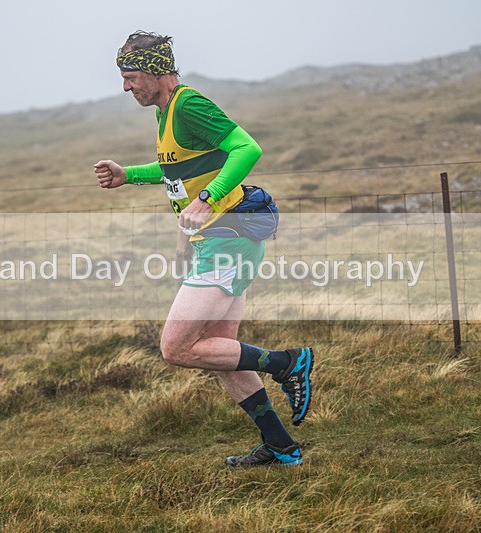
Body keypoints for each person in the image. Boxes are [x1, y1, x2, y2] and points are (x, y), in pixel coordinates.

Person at [94, 31, 313, 467]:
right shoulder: (166, 112)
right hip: (219, 242)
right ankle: (281, 447)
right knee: (220, 352)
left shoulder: (189, 105)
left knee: (176, 348)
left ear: (157, 71)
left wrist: (209, 197)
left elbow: (247, 148)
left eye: (131, 77)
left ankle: (288, 362)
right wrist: (128, 175)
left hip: (228, 241)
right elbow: (177, 169)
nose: (125, 87)